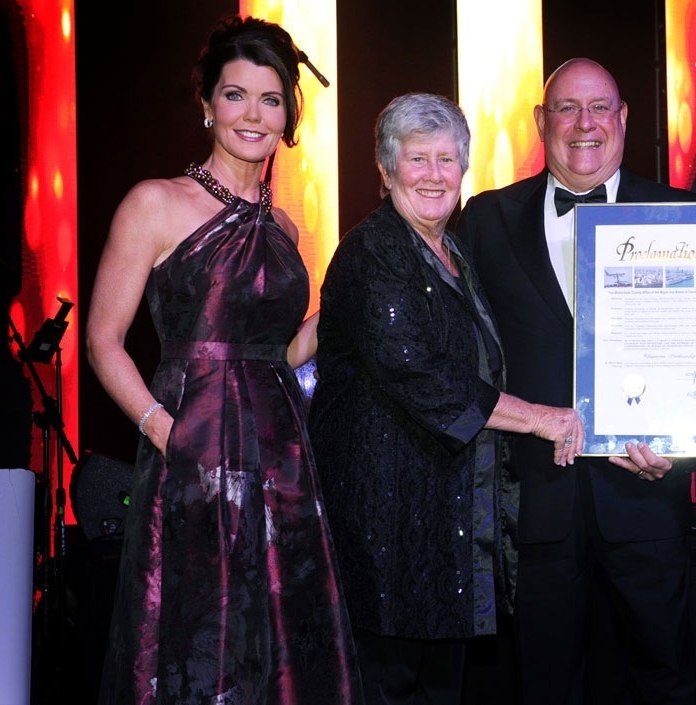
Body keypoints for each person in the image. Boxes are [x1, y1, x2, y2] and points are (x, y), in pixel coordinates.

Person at [85, 15, 362, 704]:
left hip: (279, 459)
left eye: (271, 100)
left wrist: (345, 306)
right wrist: (165, 431)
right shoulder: (154, 203)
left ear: (288, 118)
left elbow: (282, 351)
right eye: (236, 95)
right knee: (194, 641)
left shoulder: (285, 226)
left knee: (276, 644)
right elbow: (100, 340)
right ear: (208, 103)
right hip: (191, 460)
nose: (253, 114)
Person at [308, 92, 584, 705]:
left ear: (465, 167)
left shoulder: (453, 251)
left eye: (447, 159)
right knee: (390, 683)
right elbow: (419, 372)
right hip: (386, 521)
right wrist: (539, 419)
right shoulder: (372, 249)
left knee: (440, 686)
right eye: (417, 159)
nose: (435, 174)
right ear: (385, 171)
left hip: (442, 520)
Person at [456, 58, 696, 705]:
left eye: (600, 108)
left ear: (623, 119)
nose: (584, 124)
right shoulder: (486, 220)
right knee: (544, 683)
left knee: (662, 676)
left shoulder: (684, 215)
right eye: (567, 108)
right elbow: (456, 349)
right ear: (541, 122)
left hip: (647, 489)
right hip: (534, 498)